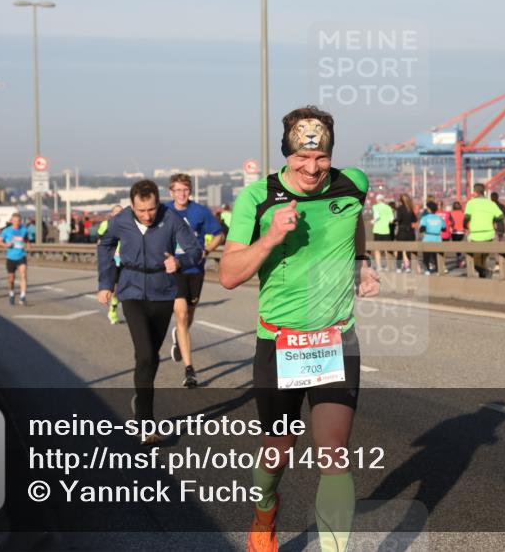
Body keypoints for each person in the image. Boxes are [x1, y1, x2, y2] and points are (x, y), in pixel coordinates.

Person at [218, 106, 379, 552]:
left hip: (335, 338)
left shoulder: (353, 185)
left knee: (334, 451)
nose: (312, 168)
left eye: (321, 157)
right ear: (286, 155)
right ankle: (264, 513)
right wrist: (270, 237)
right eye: (301, 158)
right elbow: (228, 275)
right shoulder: (257, 198)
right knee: (277, 451)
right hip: (280, 341)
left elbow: (354, 219)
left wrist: (360, 262)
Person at [96, 180, 202, 445]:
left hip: (162, 292)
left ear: (158, 202)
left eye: (151, 209)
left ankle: (140, 399)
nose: (147, 216)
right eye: (141, 211)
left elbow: (195, 250)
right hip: (131, 291)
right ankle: (145, 423)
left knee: (151, 356)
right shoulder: (121, 220)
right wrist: (106, 282)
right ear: (132, 205)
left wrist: (179, 261)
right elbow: (105, 245)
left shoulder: (171, 217)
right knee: (144, 355)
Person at [165, 173, 224, 389]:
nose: (182, 194)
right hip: (174, 269)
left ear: (190, 191)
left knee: (188, 316)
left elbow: (219, 234)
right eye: (178, 190)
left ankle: (179, 337)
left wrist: (206, 251)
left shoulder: (200, 211)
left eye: (185, 190)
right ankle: (189, 370)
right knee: (180, 314)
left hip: (195, 269)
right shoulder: (164, 211)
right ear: (171, 192)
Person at [463, 184, 503, 279]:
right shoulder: (491, 203)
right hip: (489, 235)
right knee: (483, 258)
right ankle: (483, 277)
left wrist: (465, 225)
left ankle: (485, 272)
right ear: (484, 192)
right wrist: (492, 220)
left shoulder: (471, 203)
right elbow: (500, 216)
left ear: (475, 192)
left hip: (475, 235)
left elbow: (467, 217)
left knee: (475, 260)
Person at [96, 205, 124, 324]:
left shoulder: (127, 225)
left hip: (124, 259)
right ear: (111, 214)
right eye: (116, 212)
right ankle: (112, 310)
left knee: (121, 287)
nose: (118, 214)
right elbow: (100, 240)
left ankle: (114, 306)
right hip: (112, 259)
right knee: (114, 286)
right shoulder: (105, 224)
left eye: (121, 212)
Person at [0, 213, 30, 306]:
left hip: (21, 256)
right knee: (11, 279)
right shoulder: (6, 231)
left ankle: (23, 296)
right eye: (15, 221)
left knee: (23, 275)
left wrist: (28, 244)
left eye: (18, 221)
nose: (17, 223)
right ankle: (11, 293)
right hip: (11, 257)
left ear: (21, 221)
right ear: (11, 221)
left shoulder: (24, 230)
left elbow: (26, 238)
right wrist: (6, 245)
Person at [418, 200, 448, 275]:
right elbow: (444, 229)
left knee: (426, 256)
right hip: (437, 238)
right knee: (436, 256)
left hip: (427, 238)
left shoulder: (425, 218)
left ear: (429, 209)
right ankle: (438, 270)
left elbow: (421, 229)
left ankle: (427, 270)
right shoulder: (439, 218)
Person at [393, 194, 416, 273]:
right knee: (408, 250)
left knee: (400, 250)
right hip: (410, 232)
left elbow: (399, 219)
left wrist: (393, 221)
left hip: (402, 231)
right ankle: (408, 267)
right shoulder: (410, 208)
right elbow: (414, 219)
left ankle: (399, 267)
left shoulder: (400, 209)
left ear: (401, 200)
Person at [371, 194, 394, 271]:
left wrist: (372, 221)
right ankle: (388, 266)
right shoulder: (388, 208)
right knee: (387, 249)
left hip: (377, 230)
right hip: (386, 230)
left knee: (377, 249)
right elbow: (391, 220)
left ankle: (379, 266)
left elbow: (377, 217)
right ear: (383, 200)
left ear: (377, 200)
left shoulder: (375, 207)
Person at [449, 200, 466, 269]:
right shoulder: (463, 213)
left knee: (456, 247)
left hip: (454, 232)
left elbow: (450, 223)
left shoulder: (451, 213)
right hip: (462, 232)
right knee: (460, 246)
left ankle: (459, 260)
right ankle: (461, 260)